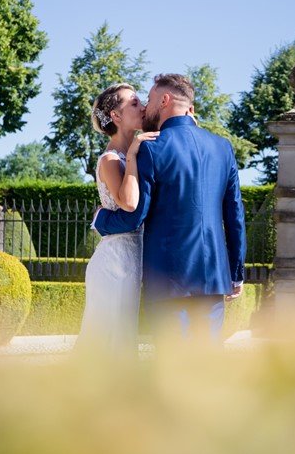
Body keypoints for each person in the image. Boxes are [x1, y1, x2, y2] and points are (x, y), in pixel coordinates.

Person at [93, 73, 246, 344]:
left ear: (164, 100)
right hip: (214, 277)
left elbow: (134, 216)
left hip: (169, 281)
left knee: (173, 368)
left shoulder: (151, 149)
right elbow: (234, 215)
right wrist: (236, 273)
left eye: (149, 100)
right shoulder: (223, 147)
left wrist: (101, 219)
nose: (145, 108)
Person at [76, 83, 158, 356]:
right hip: (114, 261)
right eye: (134, 103)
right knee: (108, 337)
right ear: (116, 116)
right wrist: (133, 153)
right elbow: (130, 203)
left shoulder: (136, 152)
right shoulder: (111, 159)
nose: (143, 106)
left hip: (132, 256)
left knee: (122, 336)